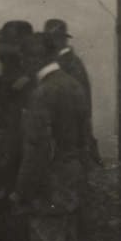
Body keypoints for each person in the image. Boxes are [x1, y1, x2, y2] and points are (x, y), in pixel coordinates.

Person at [11, 31, 94, 241]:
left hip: (49, 182)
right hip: (72, 178)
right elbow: (85, 139)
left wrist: (21, 191)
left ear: (34, 58)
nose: (22, 63)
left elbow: (37, 150)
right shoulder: (73, 85)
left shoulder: (42, 93)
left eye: (23, 57)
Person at [44, 18, 101, 165]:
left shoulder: (69, 63)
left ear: (61, 40)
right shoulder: (65, 61)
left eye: (52, 39)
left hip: (71, 125)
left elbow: (79, 100)